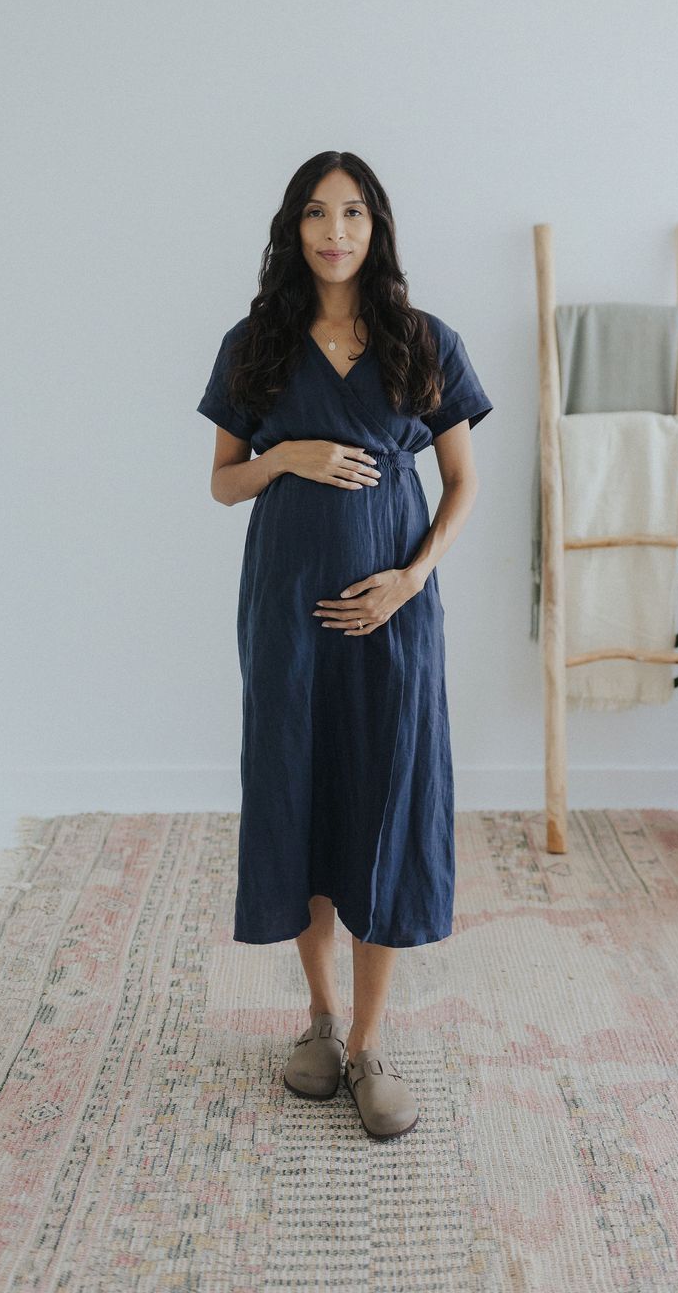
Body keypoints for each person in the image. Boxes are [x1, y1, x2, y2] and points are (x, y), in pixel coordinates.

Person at [196, 151, 492, 1140]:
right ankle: (316, 1020)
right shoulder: (257, 344)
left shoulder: (421, 340)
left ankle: (368, 1043)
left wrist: (409, 580)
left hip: (391, 622)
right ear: (294, 228)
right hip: (284, 615)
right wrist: (282, 453)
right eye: (318, 213)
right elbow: (223, 482)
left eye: (353, 212)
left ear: (377, 227)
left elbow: (461, 483)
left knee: (381, 803)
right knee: (299, 797)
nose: (335, 231)